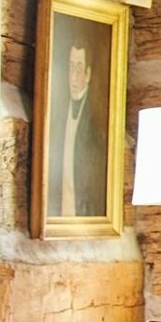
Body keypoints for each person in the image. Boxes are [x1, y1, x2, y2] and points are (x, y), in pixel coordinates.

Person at [49, 40, 107, 218]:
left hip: (83, 205)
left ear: (88, 74)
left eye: (79, 68)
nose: (73, 76)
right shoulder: (56, 109)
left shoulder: (97, 114)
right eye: (71, 67)